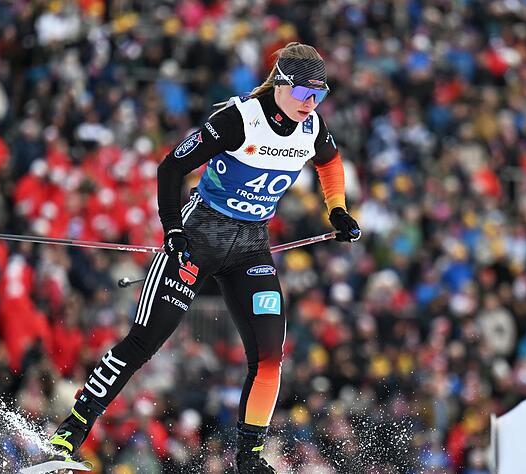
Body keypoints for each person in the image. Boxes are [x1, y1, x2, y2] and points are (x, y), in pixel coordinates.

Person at [49, 42, 362, 473]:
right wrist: (173, 230)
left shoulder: (311, 128)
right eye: (306, 94)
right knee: (144, 342)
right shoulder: (238, 120)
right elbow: (171, 168)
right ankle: (70, 432)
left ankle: (248, 459)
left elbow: (330, 163)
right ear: (282, 86)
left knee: (271, 356)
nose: (312, 105)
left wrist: (338, 209)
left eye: (320, 96)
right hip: (198, 240)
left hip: (250, 248)